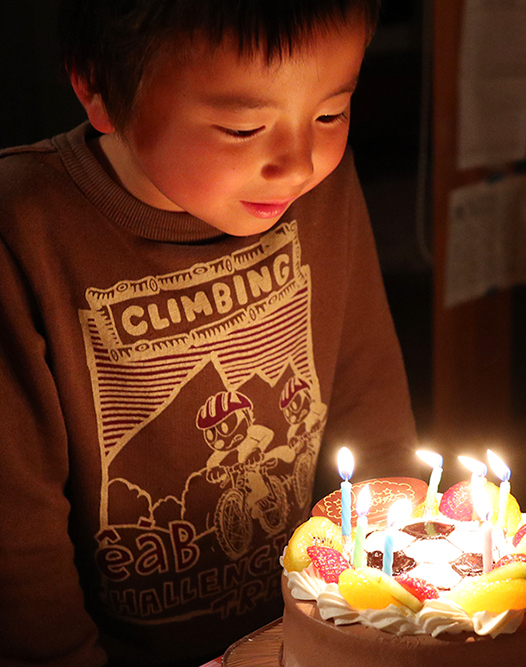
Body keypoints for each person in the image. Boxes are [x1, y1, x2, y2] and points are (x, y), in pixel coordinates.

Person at [0, 1, 418, 665]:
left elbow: (368, 384)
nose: (299, 161)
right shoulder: (25, 230)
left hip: (315, 628)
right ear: (98, 90)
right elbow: (16, 528)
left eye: (329, 114)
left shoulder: (321, 190)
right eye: (242, 126)